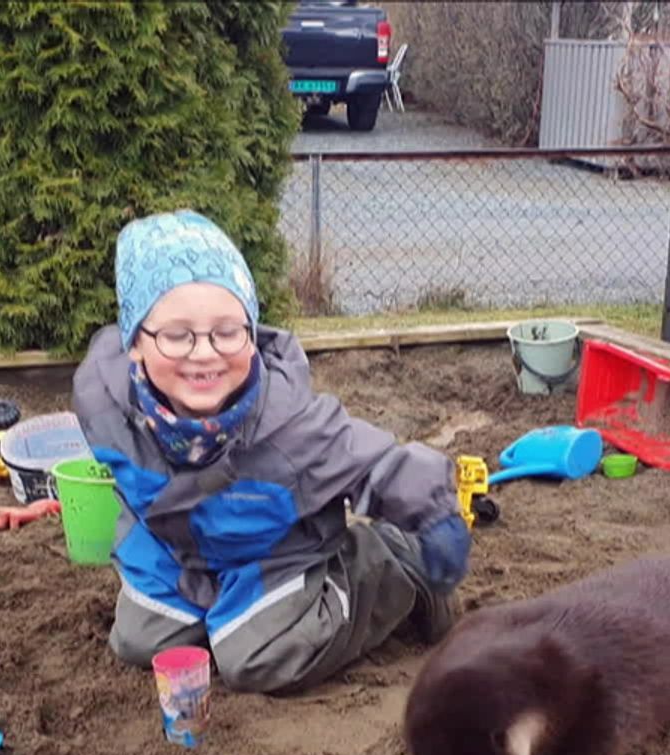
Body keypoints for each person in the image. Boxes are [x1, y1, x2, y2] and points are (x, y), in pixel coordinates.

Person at [72, 209, 470, 694]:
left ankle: (387, 562)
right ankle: (220, 613)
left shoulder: (289, 424)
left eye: (227, 331)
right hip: (175, 552)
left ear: (252, 335)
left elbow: (376, 462)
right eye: (177, 335)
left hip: (271, 553)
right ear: (135, 342)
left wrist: (434, 515)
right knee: (139, 644)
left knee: (257, 660)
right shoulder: (103, 404)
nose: (204, 352)